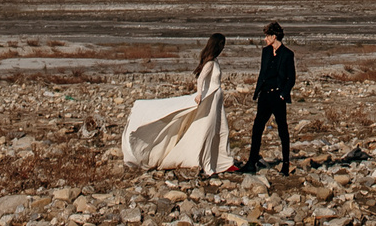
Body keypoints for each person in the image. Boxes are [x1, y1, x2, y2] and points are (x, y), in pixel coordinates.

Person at [120, 34, 231, 177]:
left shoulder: (213, 61)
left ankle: (222, 162)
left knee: (221, 130)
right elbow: (202, 78)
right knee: (208, 132)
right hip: (211, 99)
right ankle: (209, 166)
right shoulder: (210, 63)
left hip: (216, 99)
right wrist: (199, 94)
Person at [243, 21, 294, 175]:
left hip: (278, 96)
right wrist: (258, 91)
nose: (265, 39)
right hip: (265, 95)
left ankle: (285, 163)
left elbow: (291, 78)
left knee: (282, 129)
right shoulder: (265, 52)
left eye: (267, 36)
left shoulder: (287, 54)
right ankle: (251, 162)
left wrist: (283, 94)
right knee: (257, 128)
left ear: (274, 36)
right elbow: (262, 73)